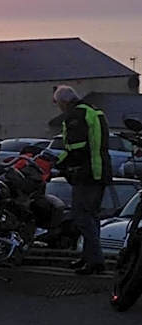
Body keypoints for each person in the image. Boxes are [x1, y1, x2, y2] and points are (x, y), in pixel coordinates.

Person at [52, 85, 112, 275]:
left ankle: (95, 261)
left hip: (86, 174)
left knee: (82, 217)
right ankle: (89, 257)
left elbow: (76, 148)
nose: (59, 108)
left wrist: (57, 162)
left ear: (64, 102)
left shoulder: (75, 116)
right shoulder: (95, 111)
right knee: (92, 217)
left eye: (58, 104)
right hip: (101, 171)